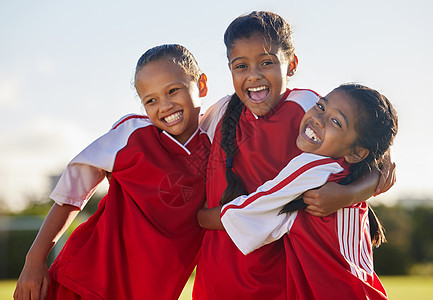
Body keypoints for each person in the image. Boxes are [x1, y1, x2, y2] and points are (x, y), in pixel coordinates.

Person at [193, 11, 395, 299]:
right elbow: (177, 150)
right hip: (215, 277)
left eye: (266, 62)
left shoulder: (310, 109)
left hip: (280, 280)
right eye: (241, 66)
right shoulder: (220, 113)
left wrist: (349, 194)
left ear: (291, 64)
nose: (254, 75)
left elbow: (372, 154)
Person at [14, 44, 210, 300]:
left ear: (202, 85)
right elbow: (71, 195)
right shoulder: (132, 134)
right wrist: (34, 260)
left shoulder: (219, 145)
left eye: (173, 90)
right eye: (150, 100)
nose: (164, 106)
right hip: (84, 280)